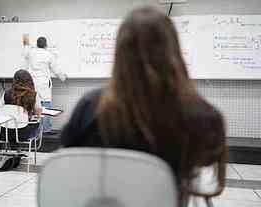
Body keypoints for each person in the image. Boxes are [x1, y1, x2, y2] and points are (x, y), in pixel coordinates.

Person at [60, 6, 228, 206]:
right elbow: (207, 170)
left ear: (120, 52)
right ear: (173, 50)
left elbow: (67, 162)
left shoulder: (89, 107)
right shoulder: (204, 115)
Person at [22, 35, 67, 134]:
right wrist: (63, 77)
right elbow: (56, 69)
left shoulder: (31, 52)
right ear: (46, 45)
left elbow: (25, 50)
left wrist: (25, 40)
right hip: (43, 84)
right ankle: (46, 129)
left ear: (37, 44)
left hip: (32, 83)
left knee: (33, 104)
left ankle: (34, 128)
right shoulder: (48, 55)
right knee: (45, 106)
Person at [0, 69, 42, 144]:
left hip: (3, 132)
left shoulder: (6, 93)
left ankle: (14, 148)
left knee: (12, 124)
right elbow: (38, 113)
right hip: (23, 133)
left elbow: (0, 110)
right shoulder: (33, 95)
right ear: (29, 80)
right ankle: (18, 148)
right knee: (38, 122)